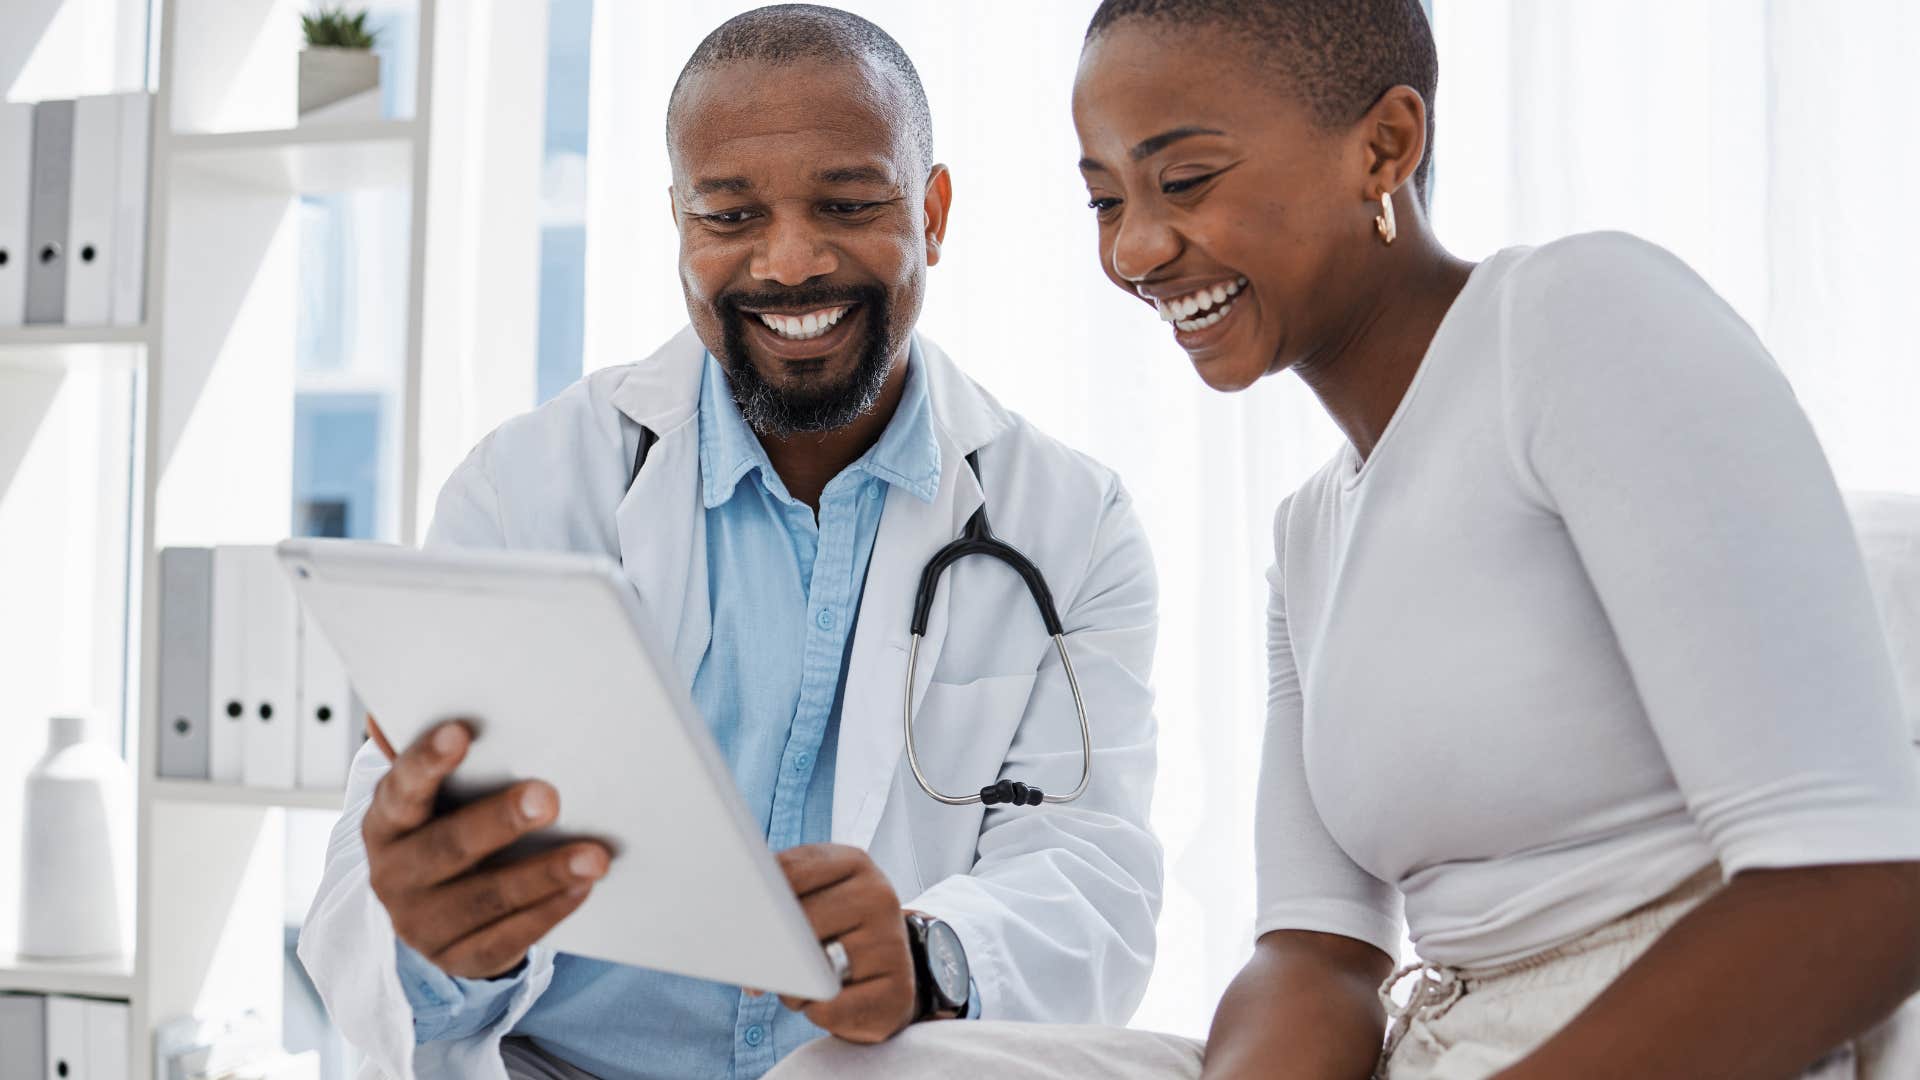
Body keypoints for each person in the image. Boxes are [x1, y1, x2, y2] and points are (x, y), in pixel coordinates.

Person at [771, 1, 1920, 1078]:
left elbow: (1859, 889)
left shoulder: (1576, 319)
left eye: (1185, 179)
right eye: (1107, 199)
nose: (1134, 250)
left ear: (1385, 146)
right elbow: (1316, 954)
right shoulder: (1313, 531)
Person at [296, 7, 1166, 1079]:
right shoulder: (527, 487)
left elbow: (1093, 875)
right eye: (729, 213)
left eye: (848, 203)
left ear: (933, 213)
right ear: (678, 224)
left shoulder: (1071, 523)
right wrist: (440, 943)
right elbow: (374, 884)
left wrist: (931, 956)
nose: (790, 261)